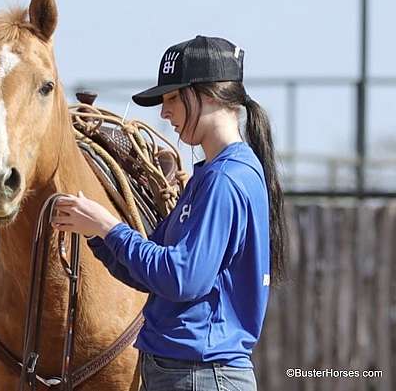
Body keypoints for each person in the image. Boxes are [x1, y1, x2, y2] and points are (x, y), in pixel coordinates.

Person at [52, 35, 287, 391]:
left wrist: (109, 226)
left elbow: (182, 278)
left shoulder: (224, 178)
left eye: (173, 97)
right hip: (191, 374)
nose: (164, 112)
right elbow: (150, 274)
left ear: (210, 95)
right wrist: (94, 231)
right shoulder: (212, 175)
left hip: (200, 375)